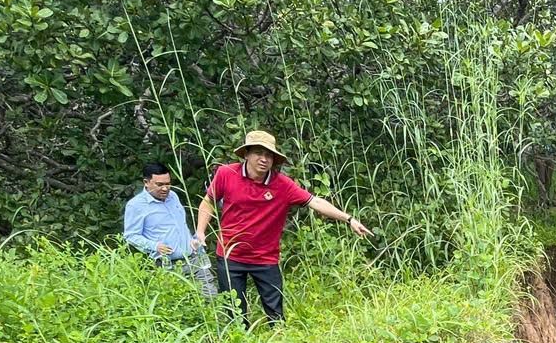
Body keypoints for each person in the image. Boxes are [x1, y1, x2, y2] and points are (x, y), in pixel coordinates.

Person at [195, 130, 371, 324]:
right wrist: (200, 232)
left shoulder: (283, 184)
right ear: (246, 154)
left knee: (276, 315)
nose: (264, 159)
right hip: (229, 255)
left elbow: (316, 202)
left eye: (269, 155)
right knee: (235, 315)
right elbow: (208, 202)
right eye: (258, 153)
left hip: (265, 258)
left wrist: (349, 219)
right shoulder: (226, 173)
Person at [123, 161, 218, 297]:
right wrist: (155, 246)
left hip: (194, 259)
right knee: (178, 304)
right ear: (146, 182)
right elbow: (131, 236)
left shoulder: (173, 196)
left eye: (168, 184)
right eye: (159, 185)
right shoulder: (135, 205)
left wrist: (194, 239)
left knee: (211, 298)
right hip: (167, 265)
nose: (165, 189)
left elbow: (180, 225)